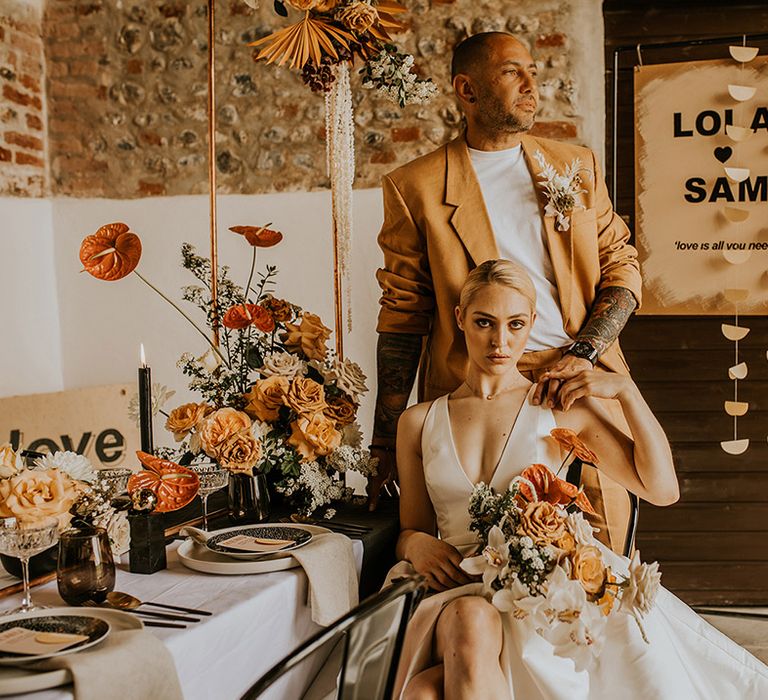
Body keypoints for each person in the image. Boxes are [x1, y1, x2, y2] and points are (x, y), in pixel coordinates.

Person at [390, 260, 768, 699]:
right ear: (459, 319)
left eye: (515, 324)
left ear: (533, 322)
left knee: (424, 689)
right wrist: (415, 544)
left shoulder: (556, 406)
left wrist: (624, 389)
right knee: (460, 630)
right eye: (483, 323)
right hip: (455, 583)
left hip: (540, 591)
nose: (500, 341)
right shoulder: (418, 422)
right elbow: (409, 529)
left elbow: (662, 489)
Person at [369, 31, 640, 551]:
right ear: (466, 91)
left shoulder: (575, 167)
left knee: (602, 552)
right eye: (513, 71)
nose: (531, 83)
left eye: (533, 70)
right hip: (479, 390)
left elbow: (622, 268)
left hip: (581, 379)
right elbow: (402, 314)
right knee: (487, 547)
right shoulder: (415, 187)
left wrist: (585, 353)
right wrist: (385, 438)